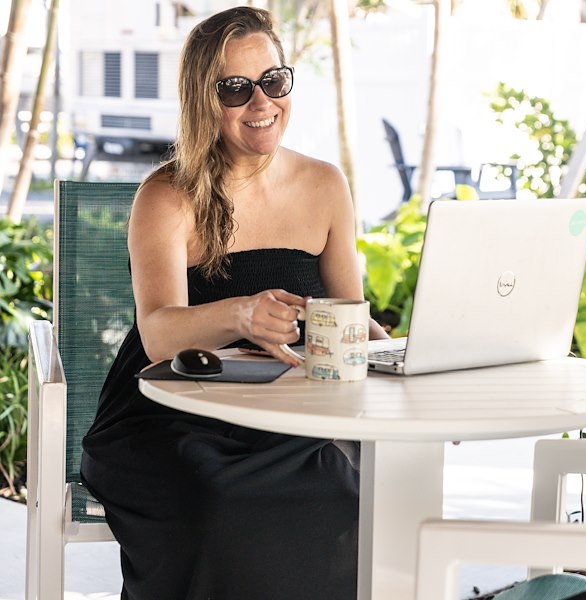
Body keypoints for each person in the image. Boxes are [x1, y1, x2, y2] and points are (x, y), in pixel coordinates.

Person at [80, 6, 388, 599]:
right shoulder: (166, 196)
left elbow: (350, 315)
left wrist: (396, 351)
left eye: (273, 80)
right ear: (204, 99)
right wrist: (240, 313)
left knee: (340, 495)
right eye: (235, 88)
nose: (261, 102)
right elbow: (159, 336)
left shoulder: (325, 185)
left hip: (289, 415)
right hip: (169, 416)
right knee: (221, 504)